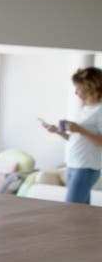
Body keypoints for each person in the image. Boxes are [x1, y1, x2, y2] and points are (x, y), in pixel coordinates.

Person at [42, 67, 102, 204]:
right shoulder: (85, 109)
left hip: (86, 167)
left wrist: (80, 130)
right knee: (81, 211)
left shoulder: (100, 110)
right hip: (73, 163)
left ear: (89, 88)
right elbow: (75, 139)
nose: (76, 92)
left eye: (78, 88)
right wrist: (58, 132)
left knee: (71, 208)